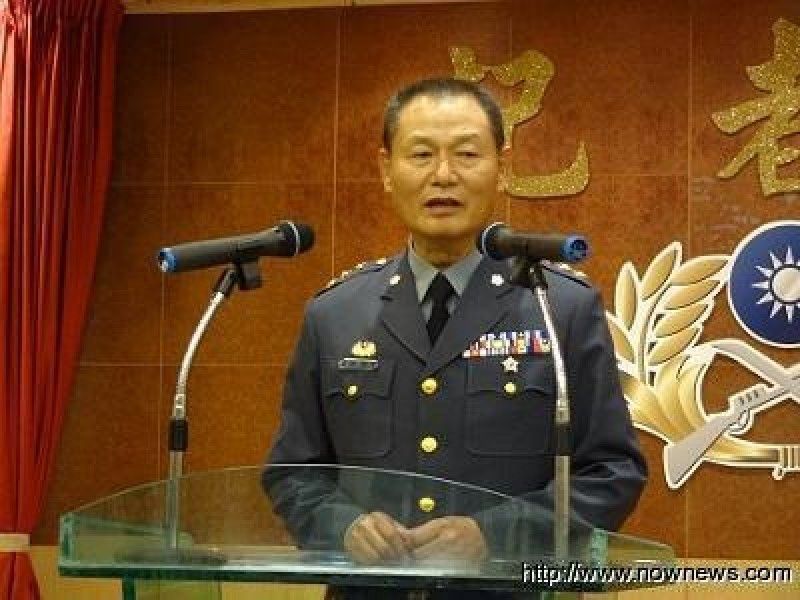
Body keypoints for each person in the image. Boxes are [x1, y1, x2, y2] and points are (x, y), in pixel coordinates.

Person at [264, 78, 647, 598]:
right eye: (421, 154)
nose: (443, 175)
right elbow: (292, 473)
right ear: (386, 170)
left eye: (466, 154)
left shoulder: (560, 308)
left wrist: (495, 536)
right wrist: (344, 527)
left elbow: (611, 472)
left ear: (502, 169)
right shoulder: (335, 314)